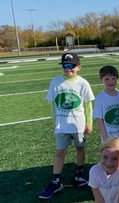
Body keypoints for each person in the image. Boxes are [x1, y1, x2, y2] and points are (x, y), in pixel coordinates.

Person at [38, 53, 95, 200]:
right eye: (65, 65)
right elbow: (52, 104)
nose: (68, 68)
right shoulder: (55, 82)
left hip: (78, 124)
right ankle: (56, 180)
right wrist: (54, 123)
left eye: (72, 66)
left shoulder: (83, 83)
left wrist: (89, 123)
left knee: (80, 148)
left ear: (78, 67)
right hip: (62, 125)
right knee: (59, 152)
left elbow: (88, 105)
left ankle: (79, 174)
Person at [88, 137, 119, 203]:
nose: (109, 162)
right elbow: (99, 200)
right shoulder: (94, 171)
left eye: (115, 159)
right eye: (105, 157)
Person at [94, 65, 119, 142]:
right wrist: (105, 137)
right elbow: (99, 119)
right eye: (107, 79)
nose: (110, 82)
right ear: (101, 80)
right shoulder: (100, 98)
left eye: (113, 78)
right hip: (109, 137)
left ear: (118, 79)